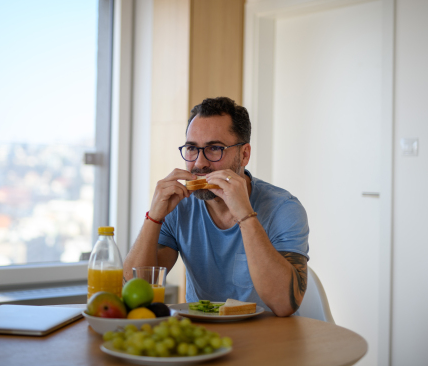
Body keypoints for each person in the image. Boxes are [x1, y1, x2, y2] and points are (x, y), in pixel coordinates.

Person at [123, 97, 309, 317]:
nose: (200, 163)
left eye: (214, 148)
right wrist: (153, 216)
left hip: (269, 338)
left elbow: (283, 304)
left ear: (244, 154)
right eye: (192, 148)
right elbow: (135, 292)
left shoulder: (283, 209)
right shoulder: (179, 206)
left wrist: (245, 215)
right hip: (201, 337)